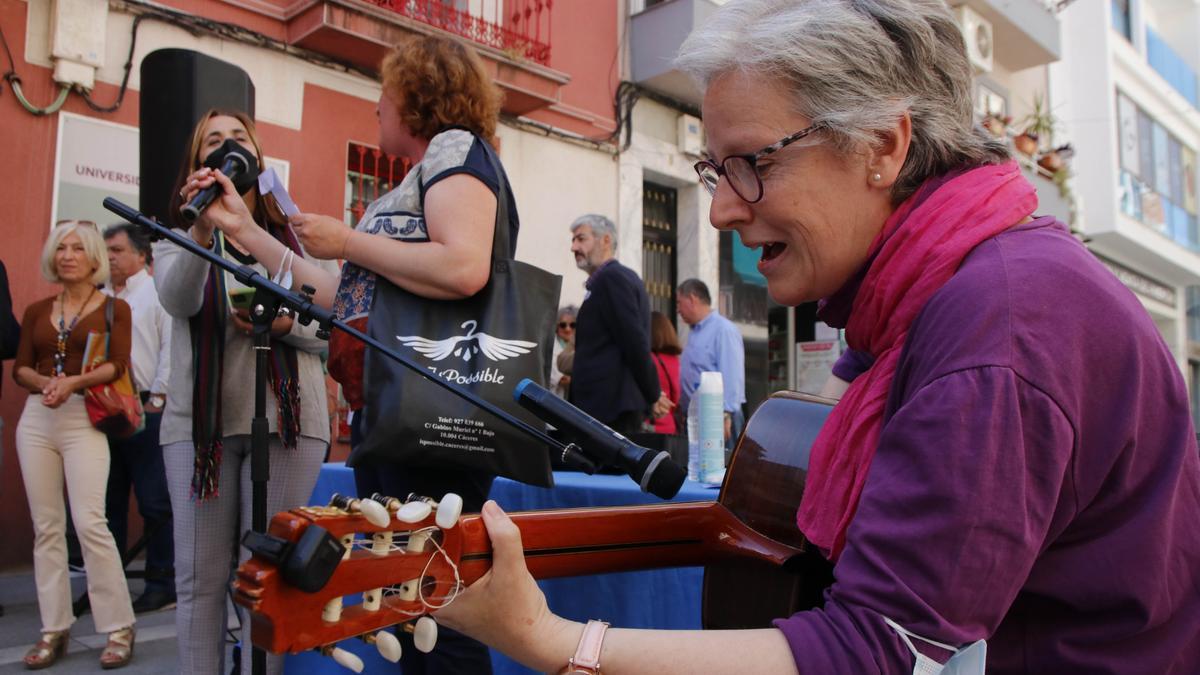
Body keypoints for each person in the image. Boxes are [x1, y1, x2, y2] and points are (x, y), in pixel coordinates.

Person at [432, 1, 1200, 673]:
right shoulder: (921, 295)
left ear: (882, 146)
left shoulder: (998, 331)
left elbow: (874, 652)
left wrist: (550, 638)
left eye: (751, 163)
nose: (724, 210)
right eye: (713, 168)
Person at [180, 34, 516, 675]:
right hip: (398, 415)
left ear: (417, 97)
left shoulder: (455, 149)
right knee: (414, 607)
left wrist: (349, 240)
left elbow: (465, 265)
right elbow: (342, 297)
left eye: (384, 94)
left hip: (431, 415)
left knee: (437, 610)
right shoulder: (425, 173)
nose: (377, 108)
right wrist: (247, 232)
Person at [156, 110, 331, 675]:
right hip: (199, 427)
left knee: (269, 578)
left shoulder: (297, 239)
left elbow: (334, 331)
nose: (227, 148)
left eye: (238, 139)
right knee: (200, 579)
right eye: (213, 142)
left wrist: (288, 326)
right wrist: (205, 225)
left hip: (286, 421)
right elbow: (179, 300)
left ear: (256, 158)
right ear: (197, 166)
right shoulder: (177, 236)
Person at [12, 221, 136, 669]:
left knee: (90, 522)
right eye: (60, 247)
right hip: (37, 418)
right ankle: (54, 629)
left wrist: (74, 383)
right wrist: (49, 383)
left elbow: (117, 363)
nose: (66, 255)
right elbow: (20, 367)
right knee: (47, 527)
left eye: (77, 248)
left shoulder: (114, 309)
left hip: (85, 416)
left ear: (93, 258)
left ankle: (119, 626)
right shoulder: (35, 309)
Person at [101, 223, 176, 613]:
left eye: (116, 250)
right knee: (107, 499)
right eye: (106, 251)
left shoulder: (156, 293)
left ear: (141, 255)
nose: (109, 257)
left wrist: (158, 398)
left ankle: (162, 582)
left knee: (154, 500)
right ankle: (107, 585)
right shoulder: (99, 298)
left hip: (147, 407)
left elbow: (169, 346)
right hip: (102, 410)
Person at [568, 214, 672, 437]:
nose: (573, 247)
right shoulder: (606, 281)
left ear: (605, 240)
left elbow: (634, 341)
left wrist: (652, 393)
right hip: (603, 410)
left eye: (581, 239)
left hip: (609, 412)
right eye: (573, 240)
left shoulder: (612, 278)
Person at [676, 278, 745, 451]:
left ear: (692, 299)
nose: (677, 310)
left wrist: (725, 414)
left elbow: (732, 374)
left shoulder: (723, 329)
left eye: (679, 302)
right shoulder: (694, 332)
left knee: (721, 471)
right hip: (696, 416)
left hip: (718, 417)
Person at [649, 311, 682, 435]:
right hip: (669, 424)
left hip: (650, 425)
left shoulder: (649, 359)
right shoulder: (674, 360)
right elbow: (676, 397)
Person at [550, 305, 577, 398]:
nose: (568, 329)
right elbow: (562, 379)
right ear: (557, 327)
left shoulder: (583, 345)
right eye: (563, 325)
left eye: (573, 325)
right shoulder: (551, 347)